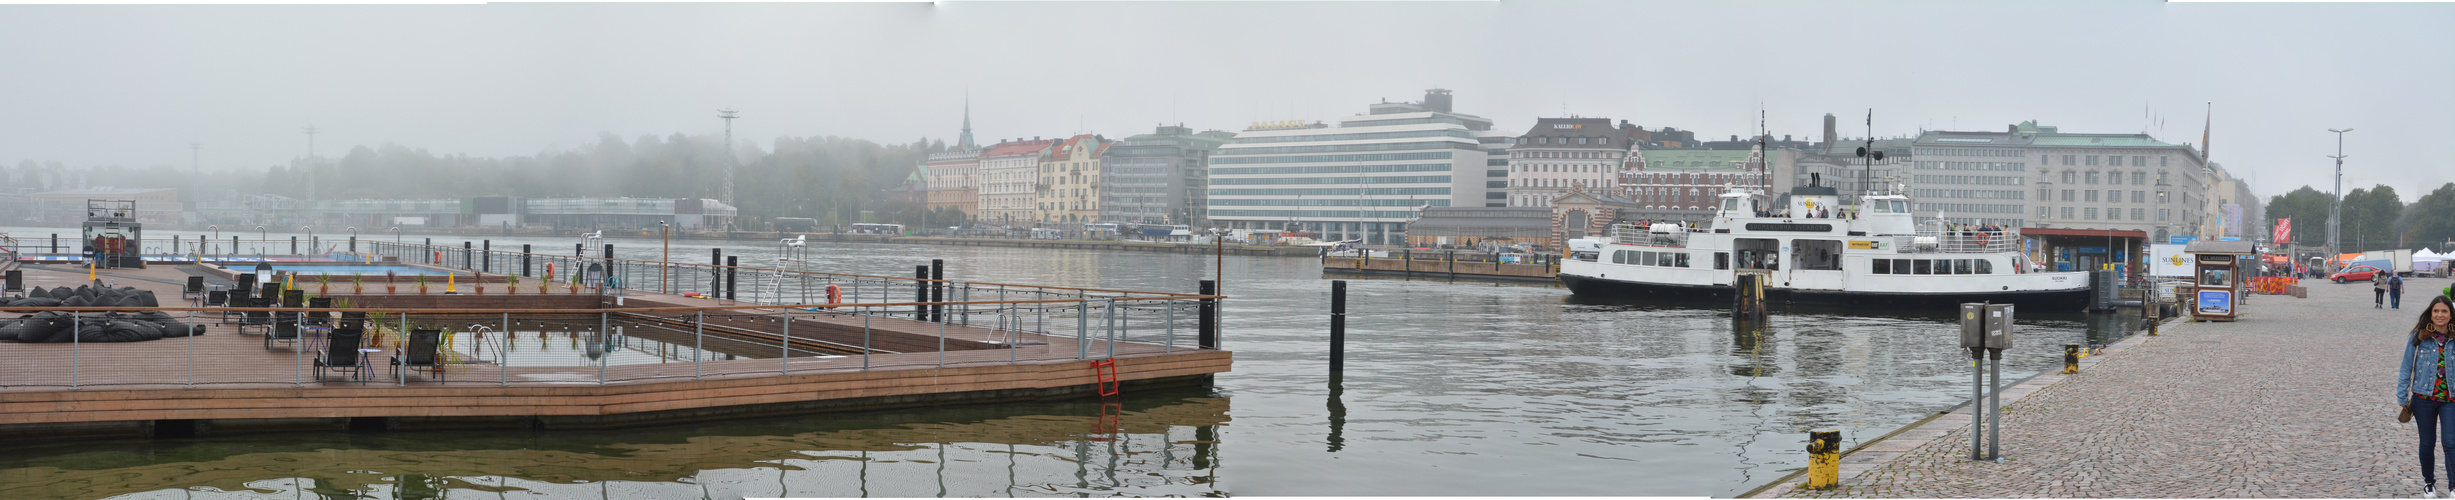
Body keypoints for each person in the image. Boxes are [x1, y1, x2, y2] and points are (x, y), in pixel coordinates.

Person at [2398, 296, 2455, 498]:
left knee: (2450, 442)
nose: (2440, 315)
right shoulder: (2418, 337)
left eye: (2444, 311)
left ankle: (2453, 488)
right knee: (2427, 443)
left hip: (2451, 399)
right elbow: (2406, 367)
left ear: (2450, 315)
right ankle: (2429, 483)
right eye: (2436, 311)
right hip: (2424, 398)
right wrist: (2402, 396)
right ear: (2430, 314)